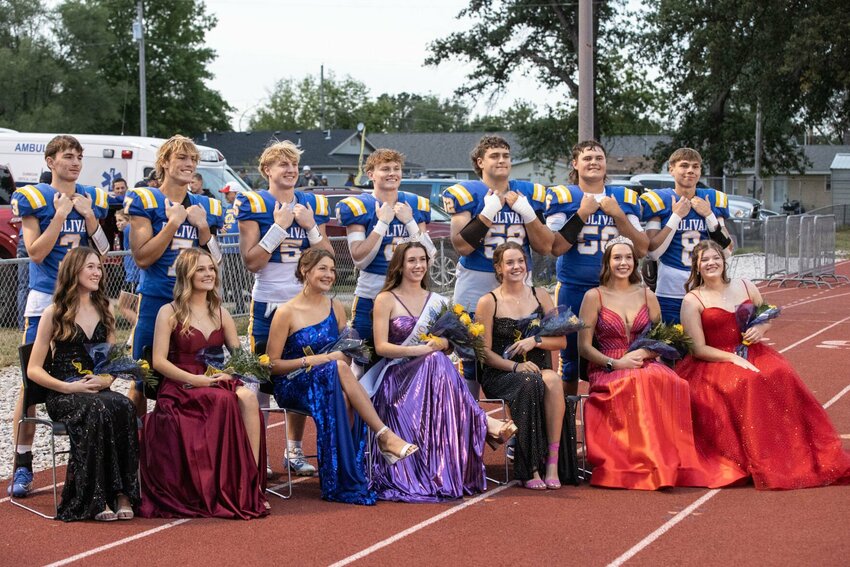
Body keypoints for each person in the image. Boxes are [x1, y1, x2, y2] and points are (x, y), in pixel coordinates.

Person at [677, 240, 850, 489]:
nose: (711, 263)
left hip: (752, 351)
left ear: (724, 260)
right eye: (704, 260)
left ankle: (790, 449)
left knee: (781, 372)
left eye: (715, 257)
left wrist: (760, 327)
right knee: (747, 381)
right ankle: (756, 455)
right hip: (715, 359)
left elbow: (765, 313)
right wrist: (733, 358)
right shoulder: (693, 300)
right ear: (696, 266)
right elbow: (697, 348)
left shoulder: (746, 285)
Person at [578, 236, 746, 490]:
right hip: (608, 366)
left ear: (635, 262)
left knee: (669, 379)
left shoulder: (647, 295)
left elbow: (661, 337)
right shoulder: (594, 297)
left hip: (644, 359)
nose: (623, 263)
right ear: (607, 262)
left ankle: (668, 461)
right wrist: (616, 363)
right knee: (639, 380)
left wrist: (646, 352)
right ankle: (641, 464)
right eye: (617, 258)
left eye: (628, 258)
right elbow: (584, 347)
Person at [265, 249, 417, 505]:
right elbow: (272, 365)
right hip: (293, 383)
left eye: (333, 270)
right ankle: (382, 436)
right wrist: (315, 360)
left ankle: (344, 476)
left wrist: (335, 360)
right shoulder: (285, 312)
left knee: (344, 394)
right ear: (305, 269)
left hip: (330, 378)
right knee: (338, 378)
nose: (329, 275)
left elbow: (345, 355)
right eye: (323, 268)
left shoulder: (336, 308)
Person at [365, 242, 512, 502]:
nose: (418, 265)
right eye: (411, 260)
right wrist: (420, 351)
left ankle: (468, 435)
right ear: (399, 265)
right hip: (396, 377)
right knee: (434, 360)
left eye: (422, 260)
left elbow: (447, 344)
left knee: (437, 360)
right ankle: (482, 419)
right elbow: (382, 347)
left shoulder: (439, 301)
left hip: (430, 376)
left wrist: (443, 344)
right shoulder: (385, 299)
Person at [8, 135, 110, 498]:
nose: (76, 162)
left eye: (80, 156)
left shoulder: (90, 196)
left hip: (82, 302)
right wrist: (62, 216)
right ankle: (22, 463)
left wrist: (89, 219)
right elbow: (35, 252)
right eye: (68, 156)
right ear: (50, 161)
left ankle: (94, 456)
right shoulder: (35, 196)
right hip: (44, 299)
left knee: (91, 369)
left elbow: (106, 250)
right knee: (31, 382)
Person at [140, 248, 268, 518]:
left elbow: (240, 357)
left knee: (247, 397)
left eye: (211, 268)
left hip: (216, 378)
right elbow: (159, 361)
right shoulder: (170, 311)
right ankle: (223, 487)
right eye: (200, 269)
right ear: (187, 274)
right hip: (181, 383)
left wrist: (231, 373)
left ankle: (250, 484)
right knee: (223, 401)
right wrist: (195, 380)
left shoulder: (221, 313)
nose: (208, 274)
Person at [237, 141, 333, 477]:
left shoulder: (310, 204)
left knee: (301, 372)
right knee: (260, 378)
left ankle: (293, 450)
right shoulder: (253, 203)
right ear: (267, 170)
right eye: (282, 164)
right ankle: (257, 453)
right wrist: (278, 228)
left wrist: (310, 227)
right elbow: (252, 261)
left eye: (293, 164)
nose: (290, 170)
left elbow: (330, 258)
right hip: (268, 301)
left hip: (305, 303)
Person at [27, 247, 139, 521]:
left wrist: (105, 379)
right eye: (90, 266)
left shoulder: (105, 310)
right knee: (97, 410)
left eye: (98, 267)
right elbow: (33, 369)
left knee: (124, 405)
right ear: (73, 271)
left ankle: (123, 494)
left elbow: (112, 363)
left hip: (96, 389)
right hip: (64, 392)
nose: (97, 272)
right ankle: (95, 498)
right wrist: (69, 387)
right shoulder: (54, 312)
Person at [442, 135, 551, 395]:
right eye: (494, 155)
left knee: (517, 353)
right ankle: (470, 418)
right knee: (472, 358)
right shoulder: (467, 193)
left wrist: (528, 214)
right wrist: (487, 213)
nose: (502, 160)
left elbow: (546, 246)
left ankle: (520, 414)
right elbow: (462, 246)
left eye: (505, 155)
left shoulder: (527, 193)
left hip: (518, 283)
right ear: (480, 162)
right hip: (477, 281)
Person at [125, 135, 224, 416]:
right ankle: (137, 449)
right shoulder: (146, 199)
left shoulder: (205, 206)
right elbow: (142, 257)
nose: (189, 163)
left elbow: (215, 261)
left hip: (193, 304)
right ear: (164, 163)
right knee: (142, 379)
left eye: (193, 159)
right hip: (156, 300)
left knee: (195, 374)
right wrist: (173, 224)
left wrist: (203, 228)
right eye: (182, 157)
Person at [545, 140, 648, 396]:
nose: (593, 162)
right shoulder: (564, 197)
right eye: (587, 157)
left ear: (605, 164)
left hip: (614, 291)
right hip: (573, 290)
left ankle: (607, 412)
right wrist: (581, 214)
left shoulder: (622, 198)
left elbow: (642, 248)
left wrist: (619, 215)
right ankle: (568, 423)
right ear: (575, 164)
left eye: (598, 158)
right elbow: (556, 247)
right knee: (569, 362)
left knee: (613, 354)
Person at [476, 242, 576, 490]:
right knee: (530, 382)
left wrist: (536, 340)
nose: (516, 267)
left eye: (520, 261)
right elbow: (484, 353)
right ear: (499, 268)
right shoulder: (489, 302)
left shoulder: (540, 295)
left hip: (538, 368)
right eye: (509, 263)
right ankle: (529, 467)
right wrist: (514, 367)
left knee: (552, 379)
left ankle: (552, 464)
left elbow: (561, 340)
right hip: (502, 373)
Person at [337, 149, 433, 346]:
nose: (392, 173)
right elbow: (360, 259)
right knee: (364, 359)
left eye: (396, 168)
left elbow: (429, 256)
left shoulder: (414, 204)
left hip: (409, 296)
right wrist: (382, 224)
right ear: (371, 174)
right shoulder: (360, 206)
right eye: (385, 169)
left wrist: (410, 221)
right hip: (371, 294)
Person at [641, 148, 732, 323]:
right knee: (673, 345)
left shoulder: (712, 200)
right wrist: (676, 217)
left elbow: (727, 251)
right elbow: (653, 253)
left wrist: (709, 215)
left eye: (695, 166)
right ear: (671, 169)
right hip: (670, 289)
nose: (690, 170)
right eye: (684, 165)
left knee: (706, 345)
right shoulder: (659, 200)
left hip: (706, 287)